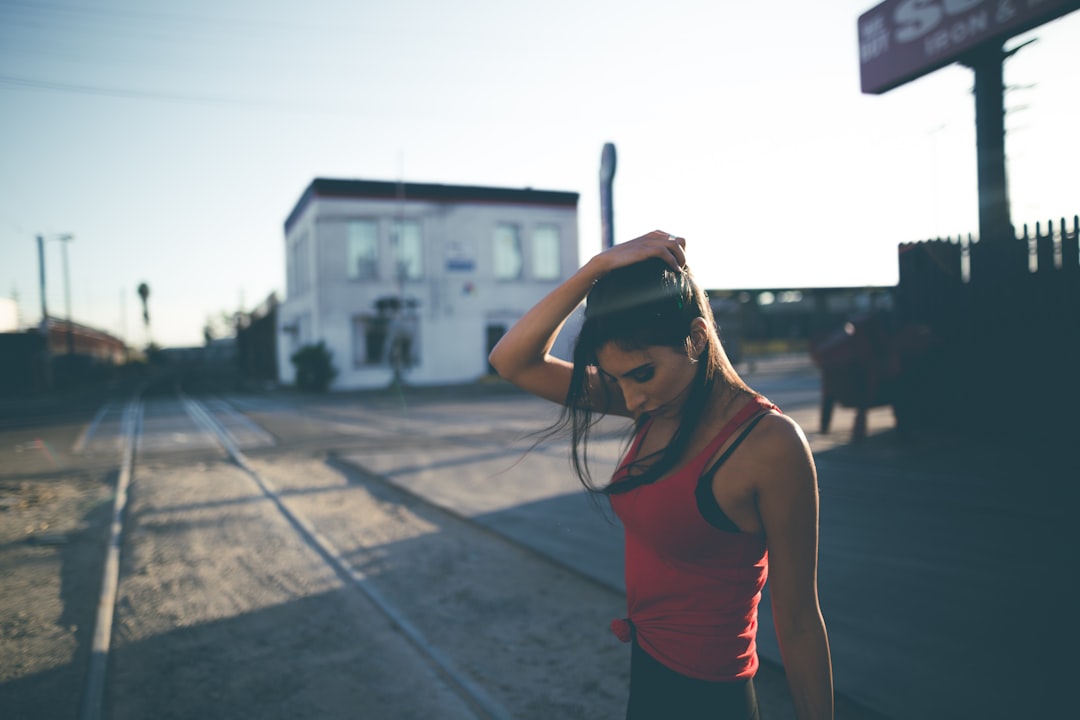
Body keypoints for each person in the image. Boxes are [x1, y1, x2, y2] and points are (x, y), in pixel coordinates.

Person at [488, 230, 833, 719]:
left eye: (642, 374)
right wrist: (595, 270)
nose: (629, 399)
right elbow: (512, 360)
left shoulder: (770, 444)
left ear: (695, 338)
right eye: (618, 379)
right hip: (647, 685)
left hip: (714, 703)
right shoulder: (654, 406)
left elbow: (798, 620)